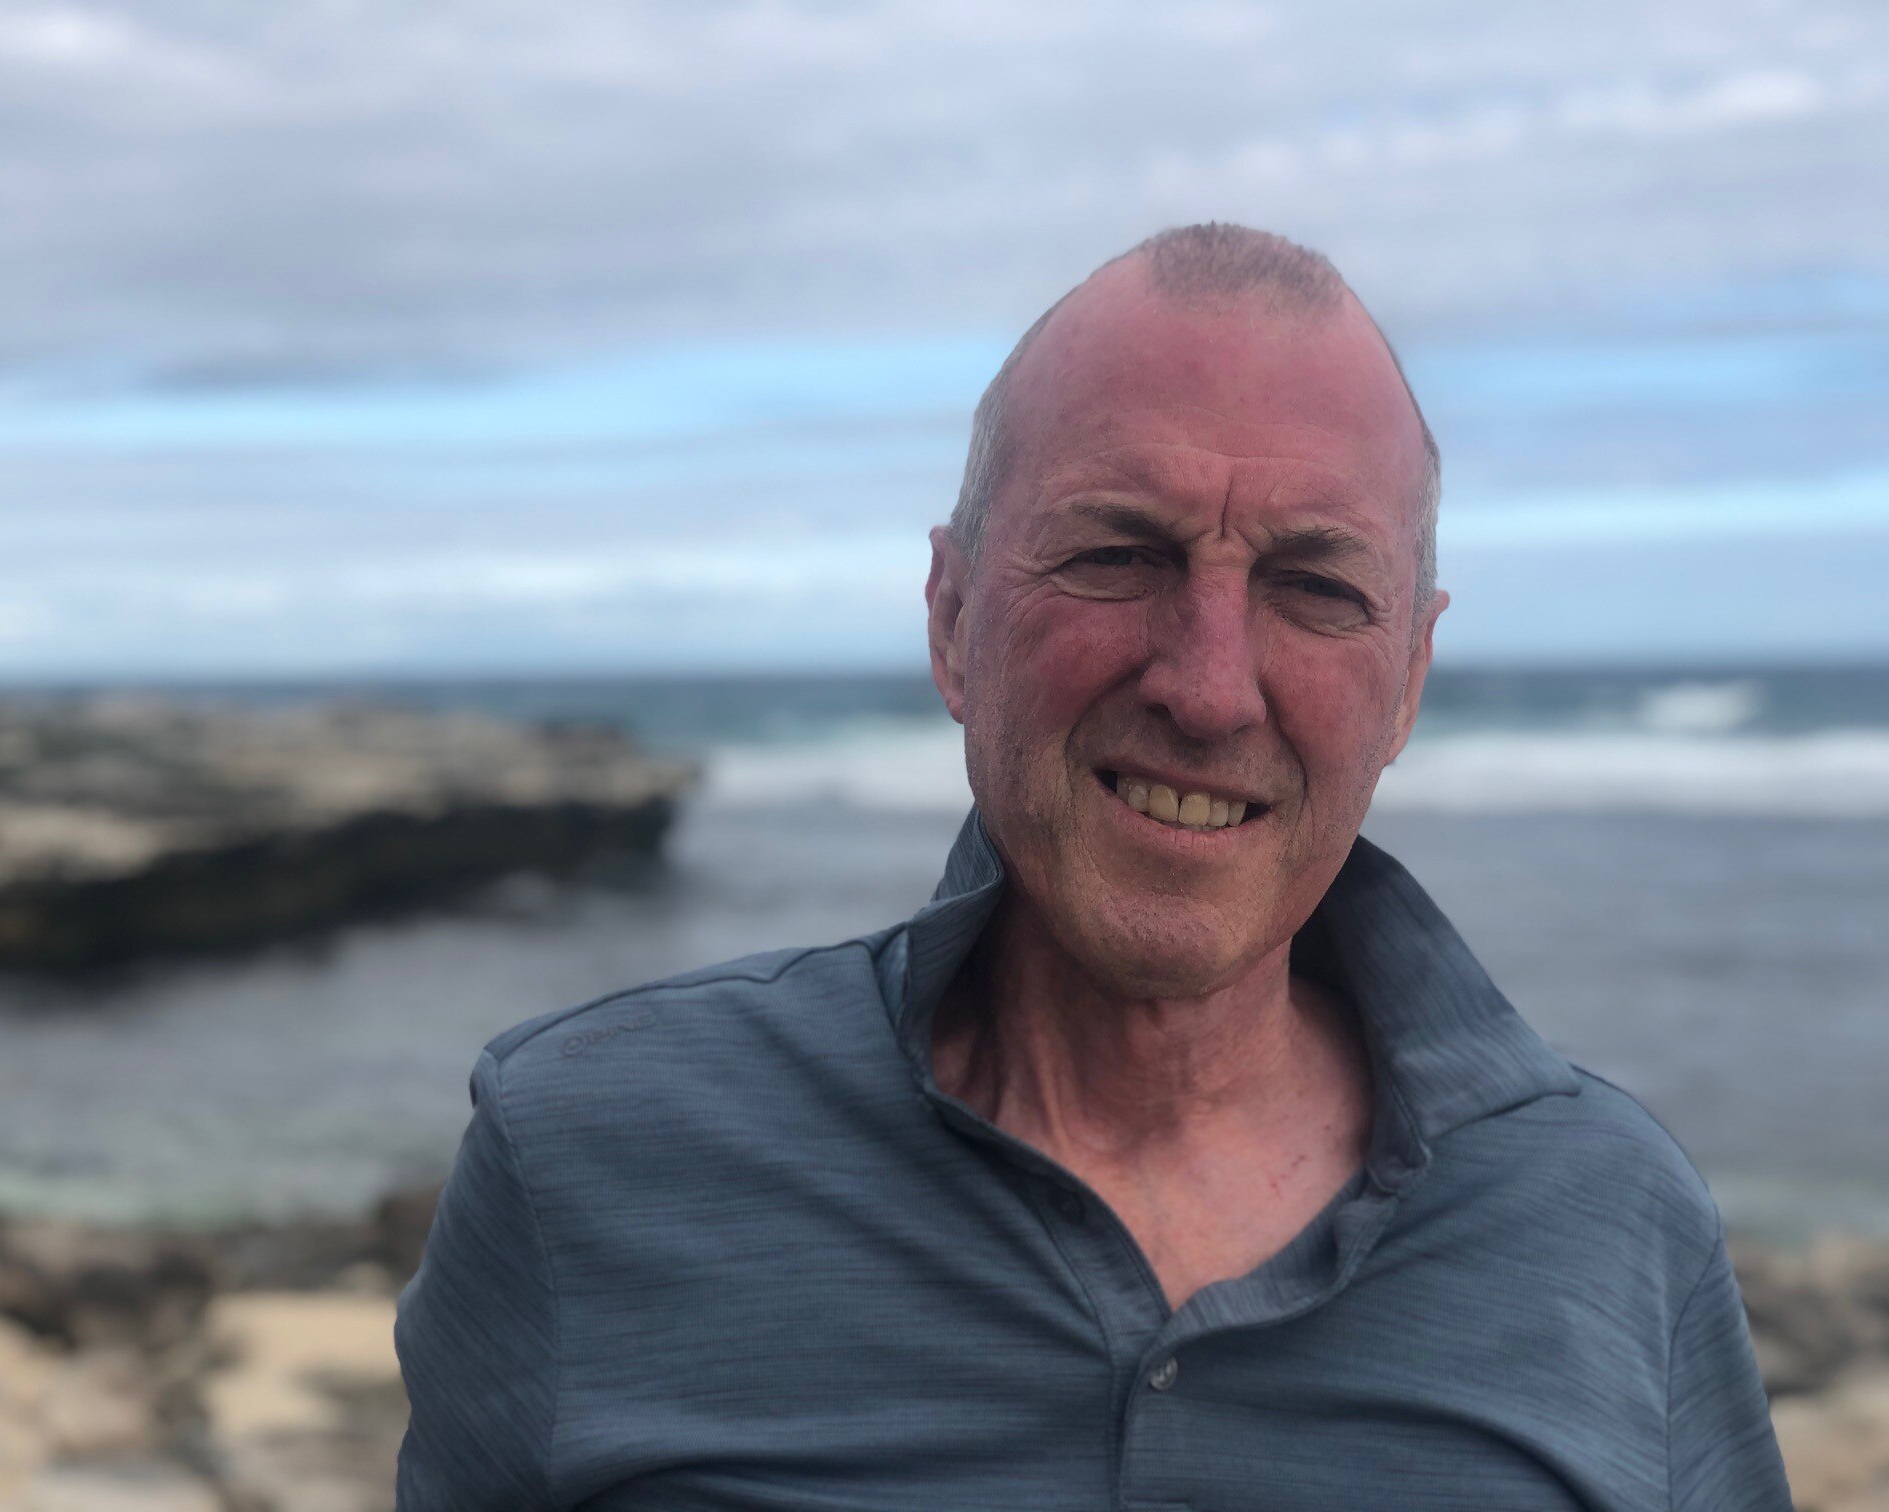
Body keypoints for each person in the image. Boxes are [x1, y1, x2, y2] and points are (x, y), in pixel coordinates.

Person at [393, 224, 1793, 1509]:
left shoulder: (1611, 1219)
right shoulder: (585, 1155)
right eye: (1119, 553)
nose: (1209, 688)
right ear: (952, 620)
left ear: (1410, 678)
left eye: (1316, 587)